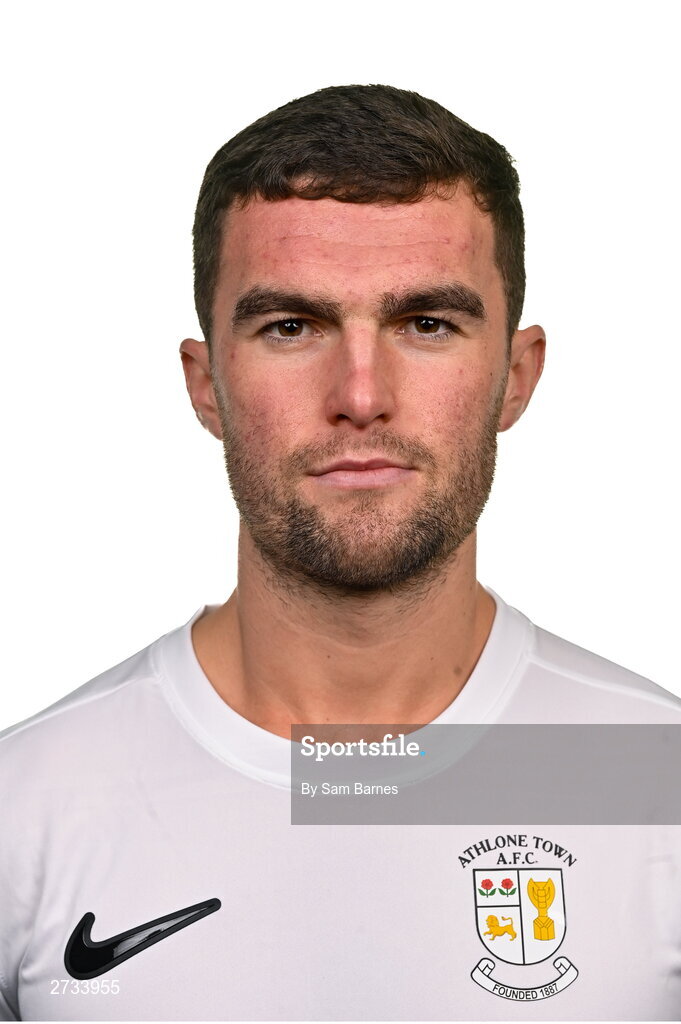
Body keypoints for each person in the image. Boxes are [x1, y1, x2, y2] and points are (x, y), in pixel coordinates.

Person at [1, 84, 680, 1022]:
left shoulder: (653, 777)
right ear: (206, 385)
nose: (360, 396)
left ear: (515, 377)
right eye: (291, 327)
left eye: (426, 324)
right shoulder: (30, 802)